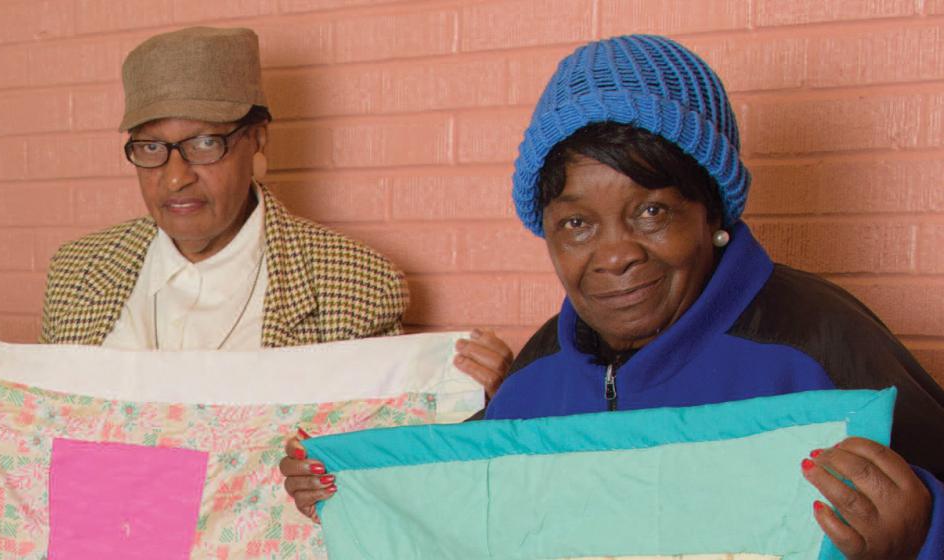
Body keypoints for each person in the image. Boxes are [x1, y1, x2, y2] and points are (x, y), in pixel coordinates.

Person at [282, 35, 944, 559]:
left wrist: (920, 538)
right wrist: (351, 487)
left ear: (713, 213)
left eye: (652, 212)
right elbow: (469, 504)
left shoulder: (819, 344)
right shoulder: (536, 373)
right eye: (576, 224)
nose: (615, 252)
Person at [38, 27, 510, 390]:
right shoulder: (77, 273)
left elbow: (372, 460)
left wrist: (488, 395)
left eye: (205, 143)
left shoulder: (353, 285)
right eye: (151, 147)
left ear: (258, 138)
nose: (176, 176)